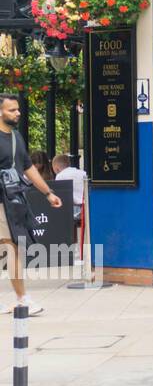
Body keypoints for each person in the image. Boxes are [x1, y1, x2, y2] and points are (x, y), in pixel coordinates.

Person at [0, 96, 63, 316]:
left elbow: (28, 168)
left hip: (13, 200)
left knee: (12, 247)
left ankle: (20, 299)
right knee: (12, 247)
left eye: (17, 109)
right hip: (1, 202)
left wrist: (48, 193)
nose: (17, 113)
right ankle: (22, 299)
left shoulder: (16, 137)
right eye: (12, 110)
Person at [52, 153, 88, 231]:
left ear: (56, 168)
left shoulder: (60, 176)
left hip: (73, 210)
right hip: (86, 208)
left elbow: (59, 195)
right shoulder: (83, 173)